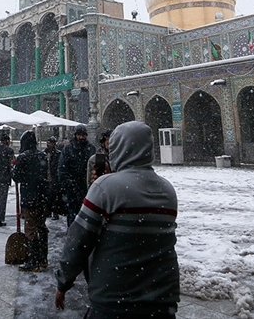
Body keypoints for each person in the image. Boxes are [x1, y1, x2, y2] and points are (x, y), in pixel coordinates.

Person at [54, 121, 179, 318]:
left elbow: (78, 241)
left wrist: (63, 283)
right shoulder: (167, 190)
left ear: (119, 149)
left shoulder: (106, 187)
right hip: (161, 299)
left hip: (115, 299)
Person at [12, 130, 50, 272]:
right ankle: (43, 258)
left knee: (30, 229)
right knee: (42, 226)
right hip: (42, 197)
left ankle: (33, 261)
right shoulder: (42, 156)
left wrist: (13, 168)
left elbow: (16, 177)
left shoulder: (23, 157)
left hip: (29, 198)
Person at [58, 125, 95, 227]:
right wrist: (69, 183)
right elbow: (62, 168)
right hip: (73, 189)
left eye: (83, 135)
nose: (81, 137)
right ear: (76, 135)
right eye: (79, 135)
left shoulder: (90, 149)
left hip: (87, 188)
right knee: (73, 216)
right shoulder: (68, 149)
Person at [44, 136, 63, 220]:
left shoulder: (58, 154)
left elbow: (59, 166)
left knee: (55, 196)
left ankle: (55, 212)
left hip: (54, 177)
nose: (48, 144)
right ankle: (48, 211)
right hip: (46, 177)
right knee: (47, 195)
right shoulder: (44, 153)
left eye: (50, 143)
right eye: (48, 143)